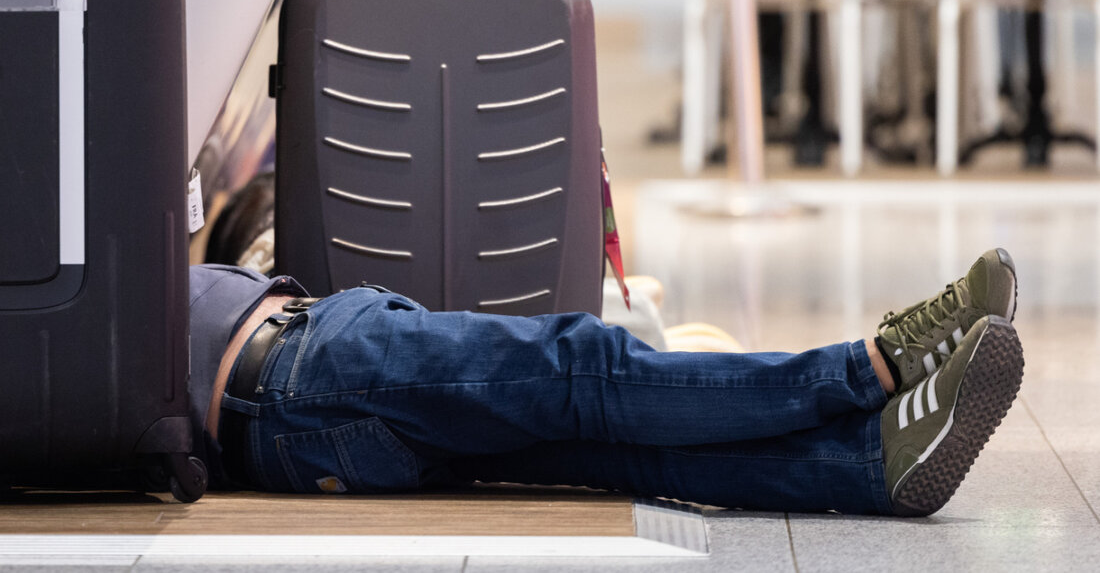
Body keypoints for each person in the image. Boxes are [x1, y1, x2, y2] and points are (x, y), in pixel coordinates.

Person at [188, 248, 1023, 516]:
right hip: (305, 370)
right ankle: (874, 367)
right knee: (586, 365)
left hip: (293, 394)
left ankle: (872, 466)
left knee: (611, 448)